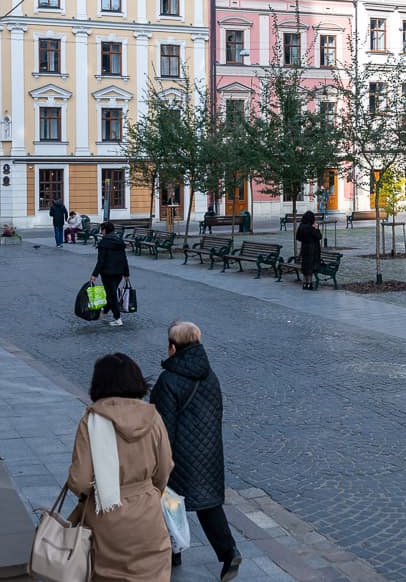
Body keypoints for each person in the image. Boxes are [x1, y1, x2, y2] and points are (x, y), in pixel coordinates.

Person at [66, 353, 173, 581]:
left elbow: (80, 481)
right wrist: (149, 492)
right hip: (148, 515)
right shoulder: (152, 417)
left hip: (107, 516)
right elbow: (165, 468)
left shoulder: (92, 420)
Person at [150, 321, 243, 581]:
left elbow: (162, 427)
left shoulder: (169, 380)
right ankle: (229, 552)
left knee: (168, 501)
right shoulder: (210, 375)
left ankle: (172, 551)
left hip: (179, 455)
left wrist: (160, 459)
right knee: (208, 504)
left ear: (172, 347)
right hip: (209, 451)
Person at [91, 221, 130, 327]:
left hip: (107, 272)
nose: (101, 232)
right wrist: (126, 273)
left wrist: (94, 274)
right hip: (119, 272)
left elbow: (101, 261)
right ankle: (104, 312)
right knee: (111, 293)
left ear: (105, 230)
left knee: (112, 295)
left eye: (102, 230)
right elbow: (124, 258)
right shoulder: (119, 240)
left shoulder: (104, 242)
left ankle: (117, 318)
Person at [295, 211, 322, 290]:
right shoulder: (311, 227)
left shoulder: (301, 226)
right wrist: (316, 228)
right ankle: (309, 283)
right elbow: (319, 236)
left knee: (305, 266)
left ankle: (304, 283)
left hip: (304, 248)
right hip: (313, 249)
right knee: (310, 266)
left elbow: (298, 237)